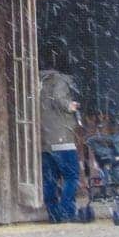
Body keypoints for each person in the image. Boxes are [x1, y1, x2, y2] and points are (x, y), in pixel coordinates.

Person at [40, 68, 82, 223]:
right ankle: (67, 211)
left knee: (50, 179)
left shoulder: (38, 81)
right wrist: (71, 105)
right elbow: (59, 99)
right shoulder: (60, 80)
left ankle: (53, 213)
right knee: (71, 176)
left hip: (45, 138)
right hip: (62, 138)